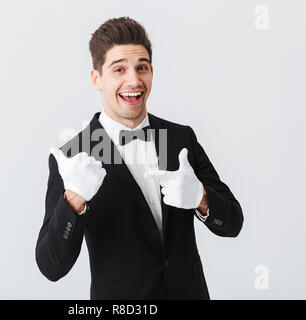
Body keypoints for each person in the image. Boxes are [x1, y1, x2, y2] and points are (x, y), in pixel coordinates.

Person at [35, 17, 243, 300]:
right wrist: (73, 199)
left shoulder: (181, 138)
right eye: (119, 69)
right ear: (97, 78)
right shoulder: (75, 155)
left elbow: (233, 223)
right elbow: (51, 266)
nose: (133, 80)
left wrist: (201, 197)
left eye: (141, 68)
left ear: (152, 72)